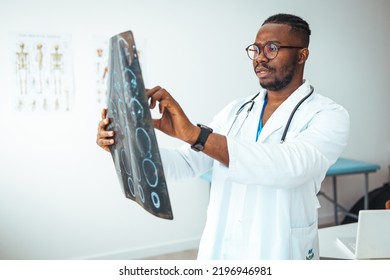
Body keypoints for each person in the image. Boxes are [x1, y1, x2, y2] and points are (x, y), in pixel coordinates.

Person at [97, 13, 350, 260]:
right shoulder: (236, 110)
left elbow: (291, 167)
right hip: (223, 249)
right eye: (256, 49)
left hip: (279, 249)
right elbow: (188, 163)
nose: (260, 58)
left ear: (302, 55)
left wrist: (197, 136)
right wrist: (126, 145)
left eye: (272, 48)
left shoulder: (328, 114)